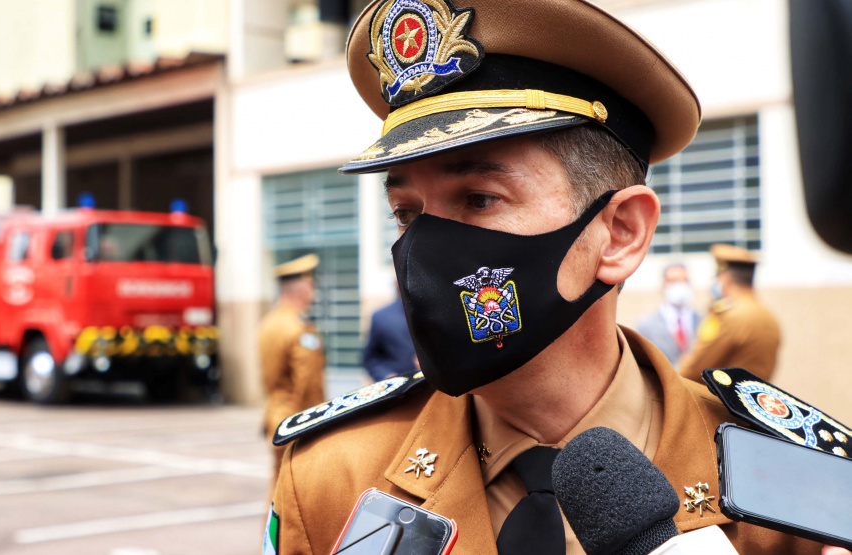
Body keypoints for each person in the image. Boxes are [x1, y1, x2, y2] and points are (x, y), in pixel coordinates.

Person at [264, 1, 847, 553]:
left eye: (479, 199)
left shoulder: (802, 493)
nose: (422, 251)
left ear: (620, 233)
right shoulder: (328, 478)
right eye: (407, 213)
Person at [258, 253, 325, 483]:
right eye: (311, 285)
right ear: (303, 289)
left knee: (278, 491)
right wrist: (318, 425)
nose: (313, 291)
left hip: (274, 418)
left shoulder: (268, 323)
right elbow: (309, 386)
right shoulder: (300, 330)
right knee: (298, 495)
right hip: (296, 423)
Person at [679, 243, 781, 383]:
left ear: (726, 277)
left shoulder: (728, 316)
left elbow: (693, 369)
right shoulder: (768, 316)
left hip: (723, 402)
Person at [637, 264, 701, 364]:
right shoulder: (646, 326)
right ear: (663, 285)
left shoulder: (704, 321)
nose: (679, 286)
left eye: (684, 281)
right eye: (673, 281)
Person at [362, 288, 417, 381]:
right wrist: (387, 376)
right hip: (401, 389)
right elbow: (371, 358)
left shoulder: (439, 312)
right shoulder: (382, 317)